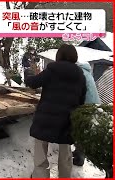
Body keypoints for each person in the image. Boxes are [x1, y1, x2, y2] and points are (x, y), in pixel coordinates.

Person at [25, 44, 87, 178]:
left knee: (40, 152)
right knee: (65, 154)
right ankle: (65, 176)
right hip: (67, 119)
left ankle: (40, 176)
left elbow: (34, 83)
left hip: (46, 117)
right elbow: (82, 98)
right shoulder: (80, 75)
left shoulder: (52, 70)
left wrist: (28, 74)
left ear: (59, 55)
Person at [72, 62, 101, 166]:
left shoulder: (79, 74)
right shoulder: (86, 72)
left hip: (86, 106)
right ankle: (78, 152)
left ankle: (80, 158)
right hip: (93, 105)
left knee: (80, 131)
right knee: (82, 131)